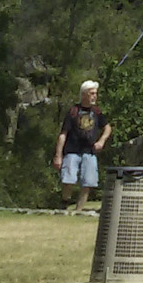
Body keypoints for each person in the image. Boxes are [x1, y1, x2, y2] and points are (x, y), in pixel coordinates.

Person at [54, 79, 111, 209]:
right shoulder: (73, 111)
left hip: (89, 151)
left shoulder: (97, 112)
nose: (94, 96)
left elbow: (107, 127)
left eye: (95, 93)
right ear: (84, 94)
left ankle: (79, 210)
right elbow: (63, 134)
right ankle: (64, 203)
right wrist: (58, 155)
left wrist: (101, 141)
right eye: (91, 93)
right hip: (72, 150)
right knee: (68, 180)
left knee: (88, 182)